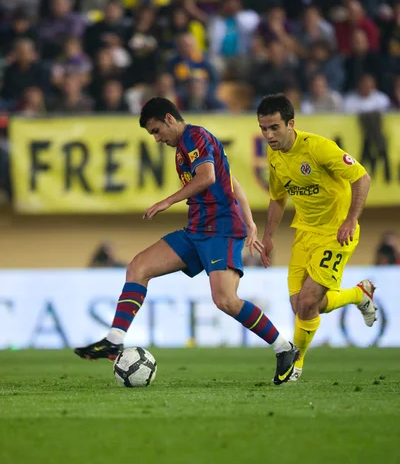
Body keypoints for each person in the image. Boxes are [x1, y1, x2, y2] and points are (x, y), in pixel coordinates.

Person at [75, 97, 299, 385]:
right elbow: (231, 182)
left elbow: (206, 178)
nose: (156, 139)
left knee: (225, 300)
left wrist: (168, 200)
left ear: (169, 119)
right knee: (139, 266)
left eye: (156, 131)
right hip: (197, 230)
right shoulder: (184, 148)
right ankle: (114, 340)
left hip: (221, 230)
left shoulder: (195, 137)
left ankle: (284, 348)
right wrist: (252, 221)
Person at [255, 93, 377, 382]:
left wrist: (350, 220)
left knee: (308, 302)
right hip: (305, 232)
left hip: (336, 233)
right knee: (302, 306)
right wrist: (268, 236)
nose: (269, 135)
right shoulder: (274, 156)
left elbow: (362, 177)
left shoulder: (318, 148)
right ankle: (359, 294)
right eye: (263, 128)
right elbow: (277, 198)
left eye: (274, 127)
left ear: (290, 124)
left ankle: (295, 363)